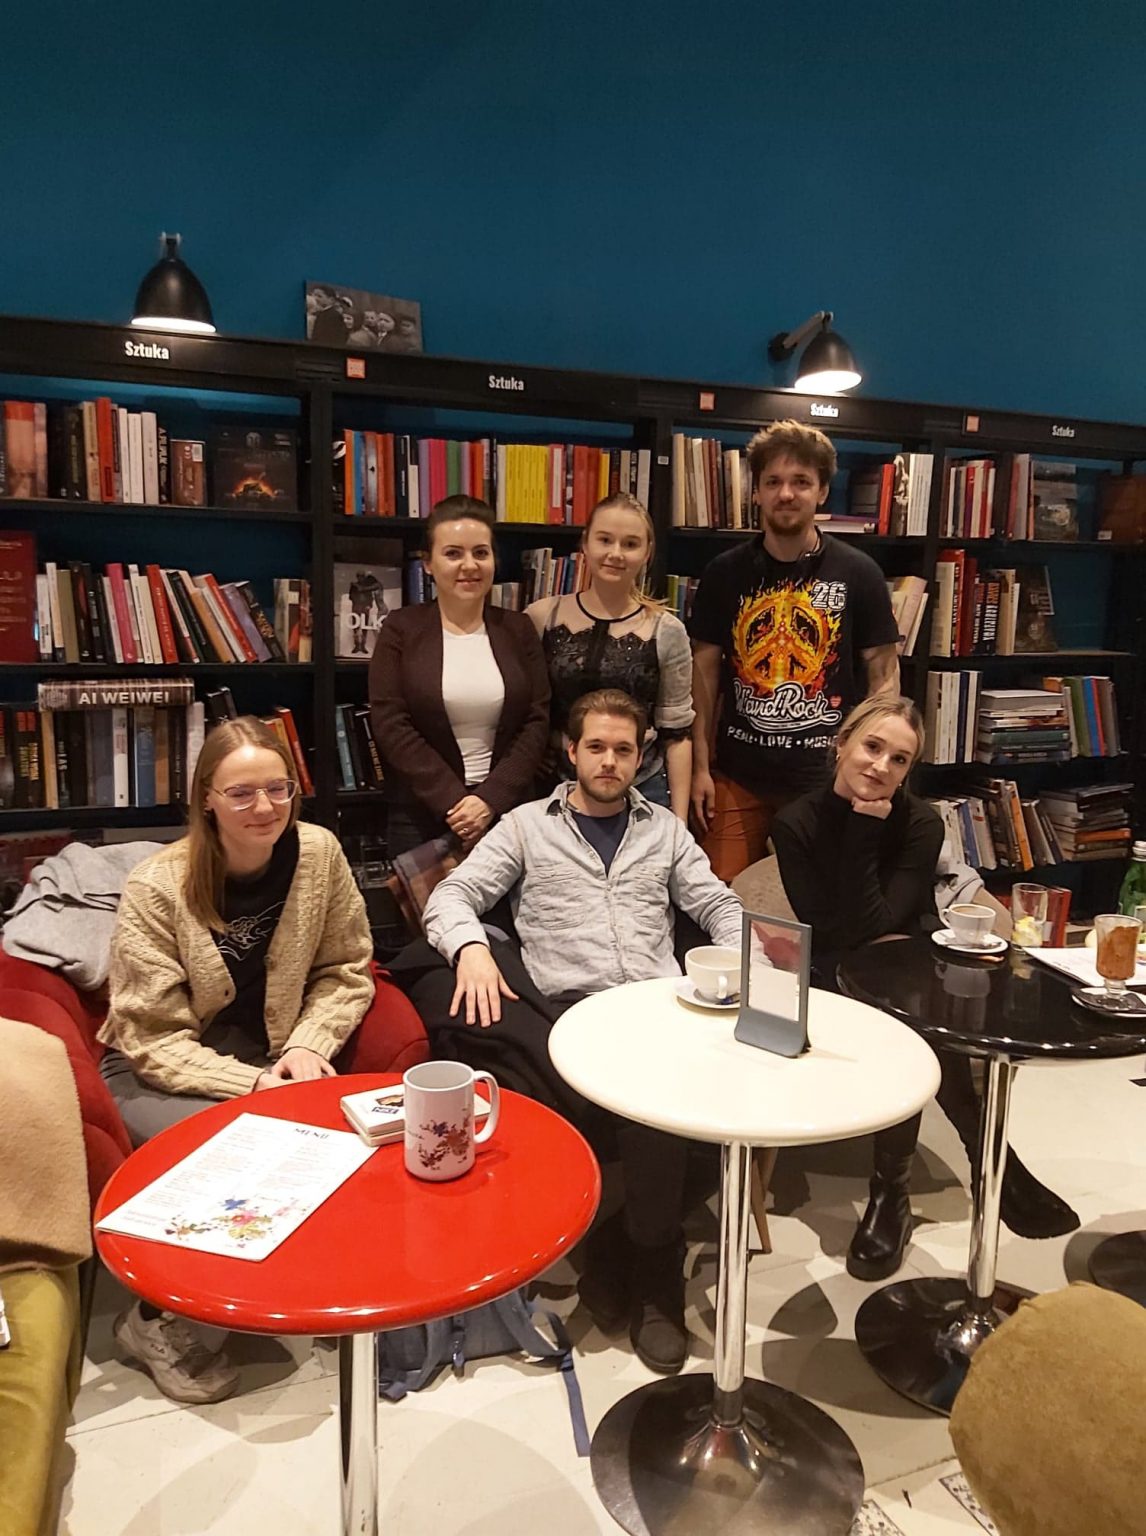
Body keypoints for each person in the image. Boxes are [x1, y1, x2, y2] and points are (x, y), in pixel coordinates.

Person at [400, 688, 743, 1376]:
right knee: (659, 1109)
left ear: (641, 757)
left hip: (658, 1010)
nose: (610, 761)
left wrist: (746, 962)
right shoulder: (527, 825)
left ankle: (617, 1247)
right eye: (597, 747)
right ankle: (658, 1278)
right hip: (570, 1022)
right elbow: (453, 895)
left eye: (624, 749)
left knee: (732, 1113)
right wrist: (471, 948)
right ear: (571, 750)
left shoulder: (665, 831)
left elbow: (716, 903)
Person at [98, 716, 377, 1403]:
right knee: (240, 1160)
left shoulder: (319, 853)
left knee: (347, 1146)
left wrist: (309, 1043)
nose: (264, 807)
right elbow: (149, 1037)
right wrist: (254, 1084)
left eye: (278, 789)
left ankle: (293, 1283)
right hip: (160, 1071)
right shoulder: (156, 886)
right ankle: (153, 1324)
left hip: (278, 1054)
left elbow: (347, 969)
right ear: (206, 799)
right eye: (242, 793)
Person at [771, 696, 1078, 1283]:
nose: (881, 766)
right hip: (833, 968)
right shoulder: (796, 823)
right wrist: (864, 826)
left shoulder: (921, 823)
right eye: (872, 747)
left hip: (908, 961)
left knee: (913, 1012)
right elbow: (844, 931)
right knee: (910, 1019)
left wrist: (872, 831)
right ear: (842, 743)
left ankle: (895, 1194)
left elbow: (892, 918)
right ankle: (986, 1165)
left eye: (899, 759)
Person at [689, 418, 901, 882]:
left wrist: (868, 767)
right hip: (737, 776)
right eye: (773, 482)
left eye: (801, 482)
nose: (786, 494)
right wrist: (700, 768)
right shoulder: (724, 573)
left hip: (826, 778)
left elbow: (884, 675)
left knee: (824, 896)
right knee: (718, 894)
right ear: (756, 492)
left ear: (822, 492)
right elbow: (702, 675)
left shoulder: (860, 573)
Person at [369, 495, 550, 858]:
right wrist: (456, 803)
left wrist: (489, 800)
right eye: (453, 553)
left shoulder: (518, 629)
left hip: (510, 813)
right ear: (428, 564)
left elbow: (537, 719)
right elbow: (390, 723)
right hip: (421, 816)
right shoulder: (401, 628)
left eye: (481, 553)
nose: (469, 565)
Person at [527, 492, 693, 816]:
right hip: (552, 786)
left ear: (647, 553)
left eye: (630, 544)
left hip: (641, 789)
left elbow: (677, 734)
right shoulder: (541, 617)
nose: (615, 554)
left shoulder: (666, 631)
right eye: (605, 540)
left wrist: (680, 823)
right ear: (585, 544)